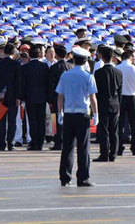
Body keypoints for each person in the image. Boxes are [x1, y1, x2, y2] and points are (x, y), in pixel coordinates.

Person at [57, 46, 98, 187]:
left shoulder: (65, 75)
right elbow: (92, 97)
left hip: (68, 113)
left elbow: (60, 96)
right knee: (83, 148)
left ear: (73, 59)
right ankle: (83, 178)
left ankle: (65, 177)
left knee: (67, 147)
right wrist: (96, 113)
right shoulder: (88, 76)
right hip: (83, 114)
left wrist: (60, 112)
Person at [93, 46, 123, 161]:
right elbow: (120, 91)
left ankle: (104, 154)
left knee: (103, 130)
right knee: (114, 130)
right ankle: (113, 154)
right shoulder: (118, 72)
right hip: (115, 104)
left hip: (103, 104)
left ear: (103, 57)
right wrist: (119, 105)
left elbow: (97, 92)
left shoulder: (99, 73)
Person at [0, 43, 22, 151]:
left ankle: (1, 144)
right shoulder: (16, 64)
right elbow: (18, 82)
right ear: (13, 52)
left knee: (1, 121)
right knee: (12, 121)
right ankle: (10, 143)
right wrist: (19, 97)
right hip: (13, 96)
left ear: (4, 52)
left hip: (1, 97)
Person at [21, 45, 50, 151]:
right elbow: (48, 83)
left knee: (32, 120)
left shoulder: (25, 67)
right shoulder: (44, 66)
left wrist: (21, 97)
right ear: (39, 54)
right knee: (41, 120)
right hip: (42, 97)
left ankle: (34, 142)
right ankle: (40, 143)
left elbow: (22, 84)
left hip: (29, 97)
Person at [117, 49, 135, 156]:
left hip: (121, 97)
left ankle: (119, 147)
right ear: (130, 58)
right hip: (133, 97)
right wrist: (134, 86)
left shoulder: (117, 68)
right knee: (134, 124)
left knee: (120, 124)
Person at [48, 45, 73, 151]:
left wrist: (49, 100)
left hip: (56, 98)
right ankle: (68, 141)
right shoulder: (71, 66)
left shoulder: (54, 68)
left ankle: (57, 141)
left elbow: (51, 86)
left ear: (56, 55)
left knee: (55, 119)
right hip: (70, 98)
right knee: (68, 120)